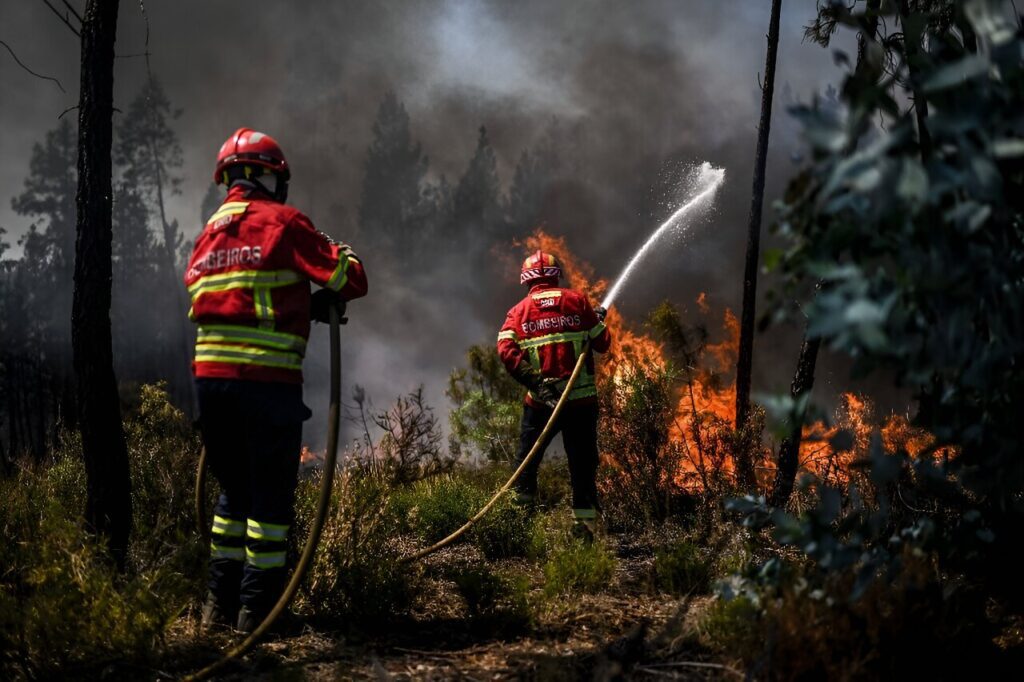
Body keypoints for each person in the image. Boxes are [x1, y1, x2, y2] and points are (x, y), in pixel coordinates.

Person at [184, 128, 367, 632]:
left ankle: (216, 607)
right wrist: (339, 252)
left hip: (211, 387)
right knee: (269, 501)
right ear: (268, 176)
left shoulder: (207, 235)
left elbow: (242, 301)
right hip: (265, 387)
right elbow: (351, 280)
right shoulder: (283, 224)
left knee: (232, 497)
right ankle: (258, 613)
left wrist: (299, 306)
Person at [496, 250, 611, 541]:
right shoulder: (577, 301)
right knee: (582, 466)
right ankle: (584, 531)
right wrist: (594, 320)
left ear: (526, 280)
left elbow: (506, 352)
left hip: (540, 404)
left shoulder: (517, 313)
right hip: (581, 404)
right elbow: (602, 343)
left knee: (526, 465)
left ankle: (519, 529)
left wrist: (536, 382)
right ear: (556, 274)